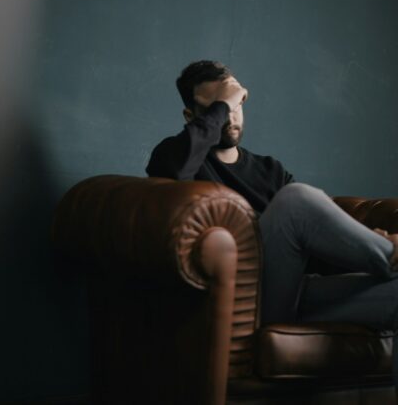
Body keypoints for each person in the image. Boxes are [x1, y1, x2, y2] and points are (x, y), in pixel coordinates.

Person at [145, 60, 398, 392]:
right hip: (249, 303)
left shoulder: (269, 169)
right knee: (296, 200)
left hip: (299, 295)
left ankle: (386, 256)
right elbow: (173, 174)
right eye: (220, 108)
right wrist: (224, 102)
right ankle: (391, 254)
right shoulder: (176, 157)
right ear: (193, 117)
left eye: (237, 104)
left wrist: (360, 242)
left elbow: (314, 243)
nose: (231, 116)